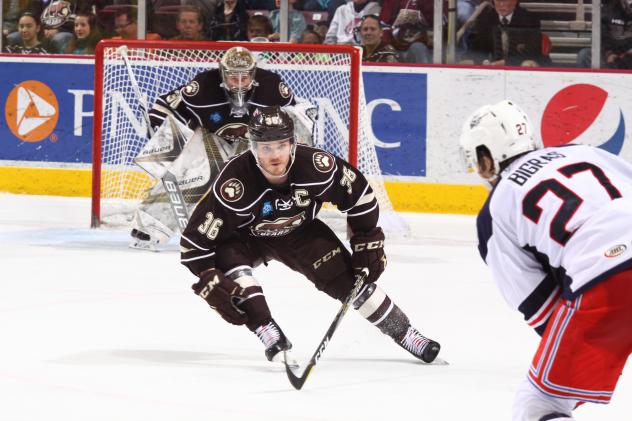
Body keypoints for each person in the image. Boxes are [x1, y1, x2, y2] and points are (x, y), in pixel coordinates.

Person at [180, 105, 441, 365]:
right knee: (229, 269)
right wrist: (209, 277)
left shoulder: (317, 167)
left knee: (351, 284)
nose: (274, 155)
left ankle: (407, 333)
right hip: (245, 238)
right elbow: (194, 244)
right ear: (252, 147)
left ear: (293, 144)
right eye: (266, 147)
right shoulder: (234, 183)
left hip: (300, 232)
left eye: (281, 145)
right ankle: (267, 331)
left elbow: (360, 195)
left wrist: (366, 239)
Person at [458, 100, 632, 421]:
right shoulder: (586, 152)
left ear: (486, 157)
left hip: (609, 276)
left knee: (538, 405)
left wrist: (599, 350)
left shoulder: (495, 212)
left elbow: (545, 313)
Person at [130, 46, 297, 250]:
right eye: (232, 78)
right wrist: (158, 128)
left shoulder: (272, 88)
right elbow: (168, 105)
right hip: (213, 137)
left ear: (253, 74)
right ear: (222, 73)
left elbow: (295, 117)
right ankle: (150, 225)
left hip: (256, 143)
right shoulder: (202, 87)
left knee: (262, 182)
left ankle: (271, 228)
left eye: (244, 78)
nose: (238, 84)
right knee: (194, 174)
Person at [463, 0, 548, 66]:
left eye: (505, 0)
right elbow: (476, 49)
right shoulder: (484, 19)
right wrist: (485, 61)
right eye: (498, 1)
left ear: (515, 1)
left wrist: (506, 62)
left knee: (528, 64)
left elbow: (533, 53)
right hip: (491, 68)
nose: (501, 5)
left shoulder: (530, 20)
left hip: (518, 67)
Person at [576, 0, 632, 69]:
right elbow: (600, 36)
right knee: (584, 55)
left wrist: (625, 54)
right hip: (611, 55)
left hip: (628, 56)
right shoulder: (608, 10)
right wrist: (609, 53)